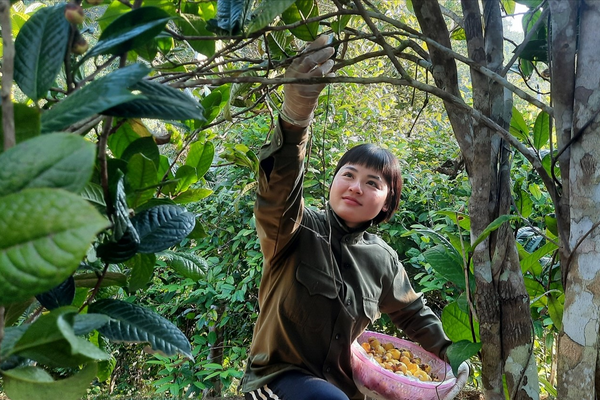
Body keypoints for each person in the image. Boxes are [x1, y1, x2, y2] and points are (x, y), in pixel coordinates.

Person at [240, 35, 467, 400]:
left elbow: (413, 314)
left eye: (372, 182)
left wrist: (455, 354)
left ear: (387, 202)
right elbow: (277, 192)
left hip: (343, 388)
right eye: (348, 174)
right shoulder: (296, 229)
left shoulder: (382, 260)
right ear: (333, 182)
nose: (355, 187)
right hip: (277, 380)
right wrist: (295, 117)